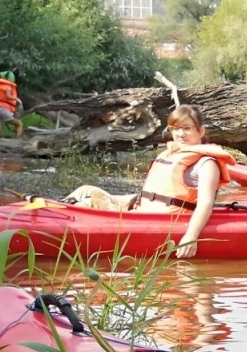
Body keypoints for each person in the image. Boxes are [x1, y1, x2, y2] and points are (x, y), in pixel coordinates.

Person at [63, 103, 236, 258]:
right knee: (86, 190)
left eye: (187, 128)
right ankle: (48, 213)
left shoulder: (206, 164)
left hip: (163, 220)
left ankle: (54, 229)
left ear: (201, 131)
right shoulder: (171, 154)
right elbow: (154, 195)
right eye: (175, 128)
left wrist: (191, 236)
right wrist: (123, 200)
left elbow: (205, 203)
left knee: (87, 204)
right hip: (143, 211)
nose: (180, 134)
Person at [0, 69, 24, 140]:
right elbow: (8, 96)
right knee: (19, 124)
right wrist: (16, 99)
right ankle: (17, 141)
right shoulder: (8, 86)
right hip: (3, 109)